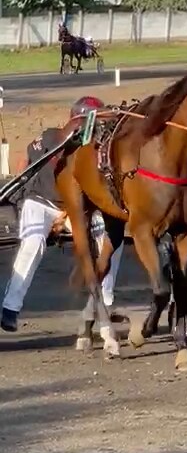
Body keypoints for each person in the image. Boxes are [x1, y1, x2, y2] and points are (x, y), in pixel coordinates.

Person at [1, 95, 124, 333]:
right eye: (96, 122)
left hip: (75, 210)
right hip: (39, 201)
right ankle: (10, 308)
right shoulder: (50, 136)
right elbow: (24, 161)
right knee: (34, 242)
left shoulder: (96, 151)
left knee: (112, 242)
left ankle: (105, 302)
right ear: (80, 119)